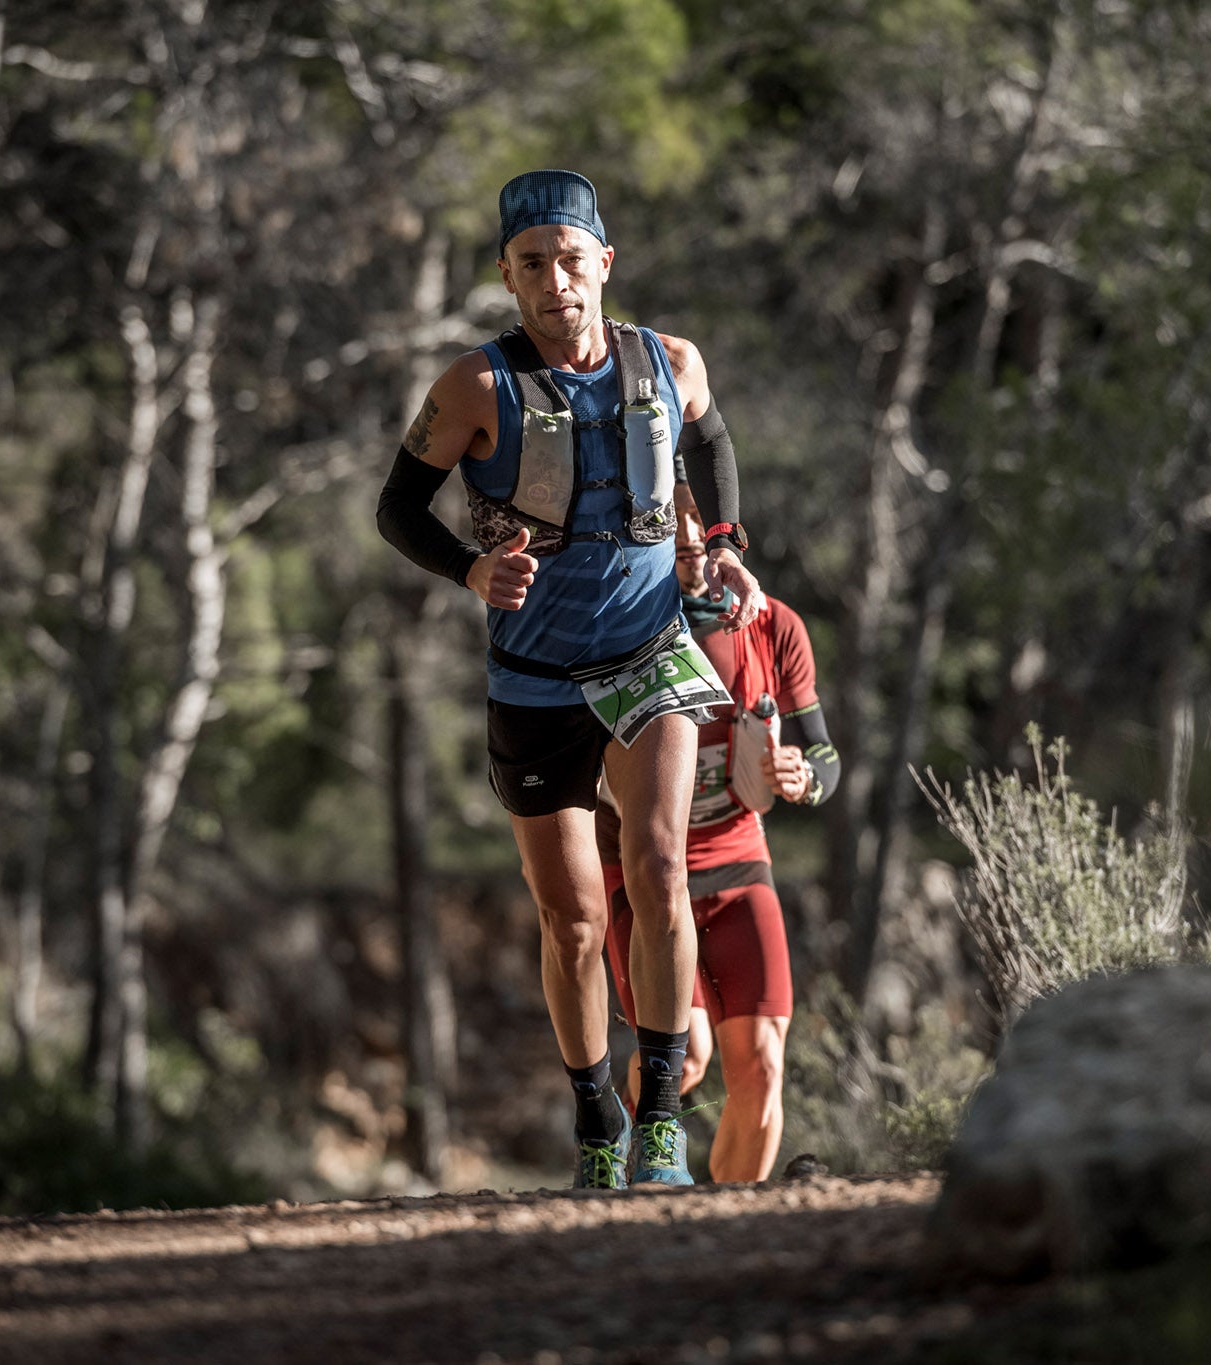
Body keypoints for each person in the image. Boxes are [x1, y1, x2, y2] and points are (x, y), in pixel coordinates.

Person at [376, 169, 762, 1188]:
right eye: (532, 265)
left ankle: (663, 1117)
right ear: (508, 276)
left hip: (648, 654)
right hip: (536, 674)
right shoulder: (474, 386)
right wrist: (468, 569)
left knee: (658, 868)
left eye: (571, 259)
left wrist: (718, 542)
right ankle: (596, 1118)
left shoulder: (667, 361)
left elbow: (710, 438)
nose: (556, 282)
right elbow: (397, 508)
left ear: (604, 262)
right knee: (573, 918)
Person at [599, 484, 839, 1183]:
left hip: (738, 861)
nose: (688, 564)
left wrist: (803, 776)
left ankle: (730, 1225)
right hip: (643, 870)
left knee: (763, 1065)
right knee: (689, 1051)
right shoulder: (619, 627)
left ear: (720, 543)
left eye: (698, 547)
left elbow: (825, 755)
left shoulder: (773, 626)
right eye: (669, 550)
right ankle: (635, 1191)